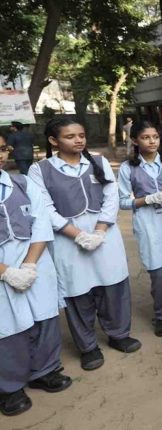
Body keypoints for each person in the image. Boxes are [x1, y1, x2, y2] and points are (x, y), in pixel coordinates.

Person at [28, 117, 141, 371]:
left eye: (81, 135)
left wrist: (100, 231)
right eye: (70, 136)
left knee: (113, 285)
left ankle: (119, 334)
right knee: (77, 293)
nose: (78, 140)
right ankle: (88, 347)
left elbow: (111, 198)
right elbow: (44, 208)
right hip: (68, 239)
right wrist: (77, 234)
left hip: (105, 235)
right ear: (53, 141)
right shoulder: (40, 170)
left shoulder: (98, 161)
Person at [0, 134, 72, 417]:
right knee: (7, 330)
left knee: (44, 319)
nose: (0, 154)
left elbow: (41, 224)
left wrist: (30, 265)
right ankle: (10, 387)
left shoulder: (21, 182)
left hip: (35, 260)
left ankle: (45, 370)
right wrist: (7, 273)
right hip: (3, 271)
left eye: (2, 149)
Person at [118, 121, 162, 337]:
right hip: (149, 224)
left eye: (156, 137)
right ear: (135, 140)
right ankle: (161, 315)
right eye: (146, 137)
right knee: (159, 275)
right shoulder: (128, 168)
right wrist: (147, 199)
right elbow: (122, 201)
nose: (152, 141)